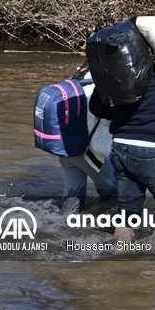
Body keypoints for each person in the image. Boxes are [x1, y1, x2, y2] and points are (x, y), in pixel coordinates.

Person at [89, 66, 155, 240]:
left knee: (127, 213)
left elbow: (97, 109)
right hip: (153, 148)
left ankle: (120, 252)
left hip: (120, 147)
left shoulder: (111, 71)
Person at [58, 64, 118, 214]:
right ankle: (103, 225)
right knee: (114, 193)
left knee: (72, 199)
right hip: (89, 152)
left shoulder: (75, 81)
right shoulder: (104, 86)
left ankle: (61, 226)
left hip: (65, 148)